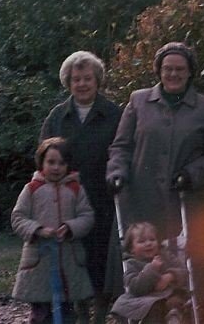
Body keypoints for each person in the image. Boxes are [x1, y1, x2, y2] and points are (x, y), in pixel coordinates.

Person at [106, 42, 204, 241]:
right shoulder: (138, 101)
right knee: (139, 268)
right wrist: (116, 172)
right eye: (167, 69)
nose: (173, 74)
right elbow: (121, 146)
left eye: (180, 69)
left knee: (183, 267)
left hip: (182, 205)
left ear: (190, 72)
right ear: (159, 71)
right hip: (139, 204)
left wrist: (191, 174)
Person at [40, 51, 123, 324]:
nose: (82, 84)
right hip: (68, 199)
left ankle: (100, 312)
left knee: (100, 257)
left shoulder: (114, 114)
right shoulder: (57, 117)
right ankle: (79, 312)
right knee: (73, 257)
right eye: (76, 79)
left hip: (103, 197)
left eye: (88, 78)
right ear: (68, 82)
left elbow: (124, 151)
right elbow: (44, 156)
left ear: (97, 80)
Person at [11, 137, 95, 324]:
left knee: (66, 312)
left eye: (61, 163)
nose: (56, 167)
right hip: (39, 262)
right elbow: (17, 218)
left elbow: (87, 216)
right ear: (41, 162)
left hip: (68, 260)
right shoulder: (31, 189)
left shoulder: (76, 189)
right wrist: (37, 229)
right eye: (51, 162)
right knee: (40, 314)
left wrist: (71, 227)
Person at [111, 221, 189, 324]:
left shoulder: (166, 256)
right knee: (152, 309)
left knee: (175, 301)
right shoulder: (132, 264)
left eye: (152, 239)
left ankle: (173, 318)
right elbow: (135, 288)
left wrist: (170, 275)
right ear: (131, 249)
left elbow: (183, 270)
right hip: (146, 299)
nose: (148, 243)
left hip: (170, 294)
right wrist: (151, 269)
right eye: (141, 241)